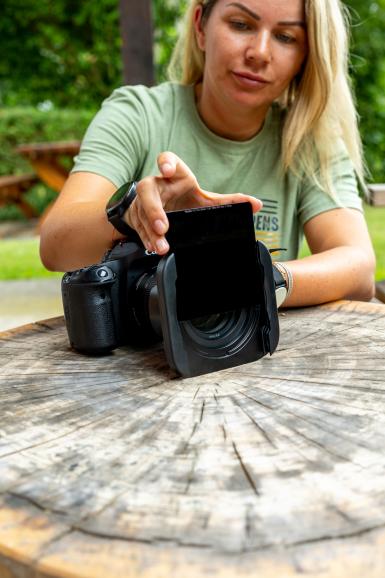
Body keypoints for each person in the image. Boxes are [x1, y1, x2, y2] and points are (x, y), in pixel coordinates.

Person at [40, 0, 376, 307]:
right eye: (241, 24)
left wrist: (260, 280)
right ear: (200, 26)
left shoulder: (308, 138)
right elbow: (56, 245)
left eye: (286, 37)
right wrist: (136, 217)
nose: (259, 52)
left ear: (307, 56)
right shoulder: (137, 114)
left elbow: (358, 268)